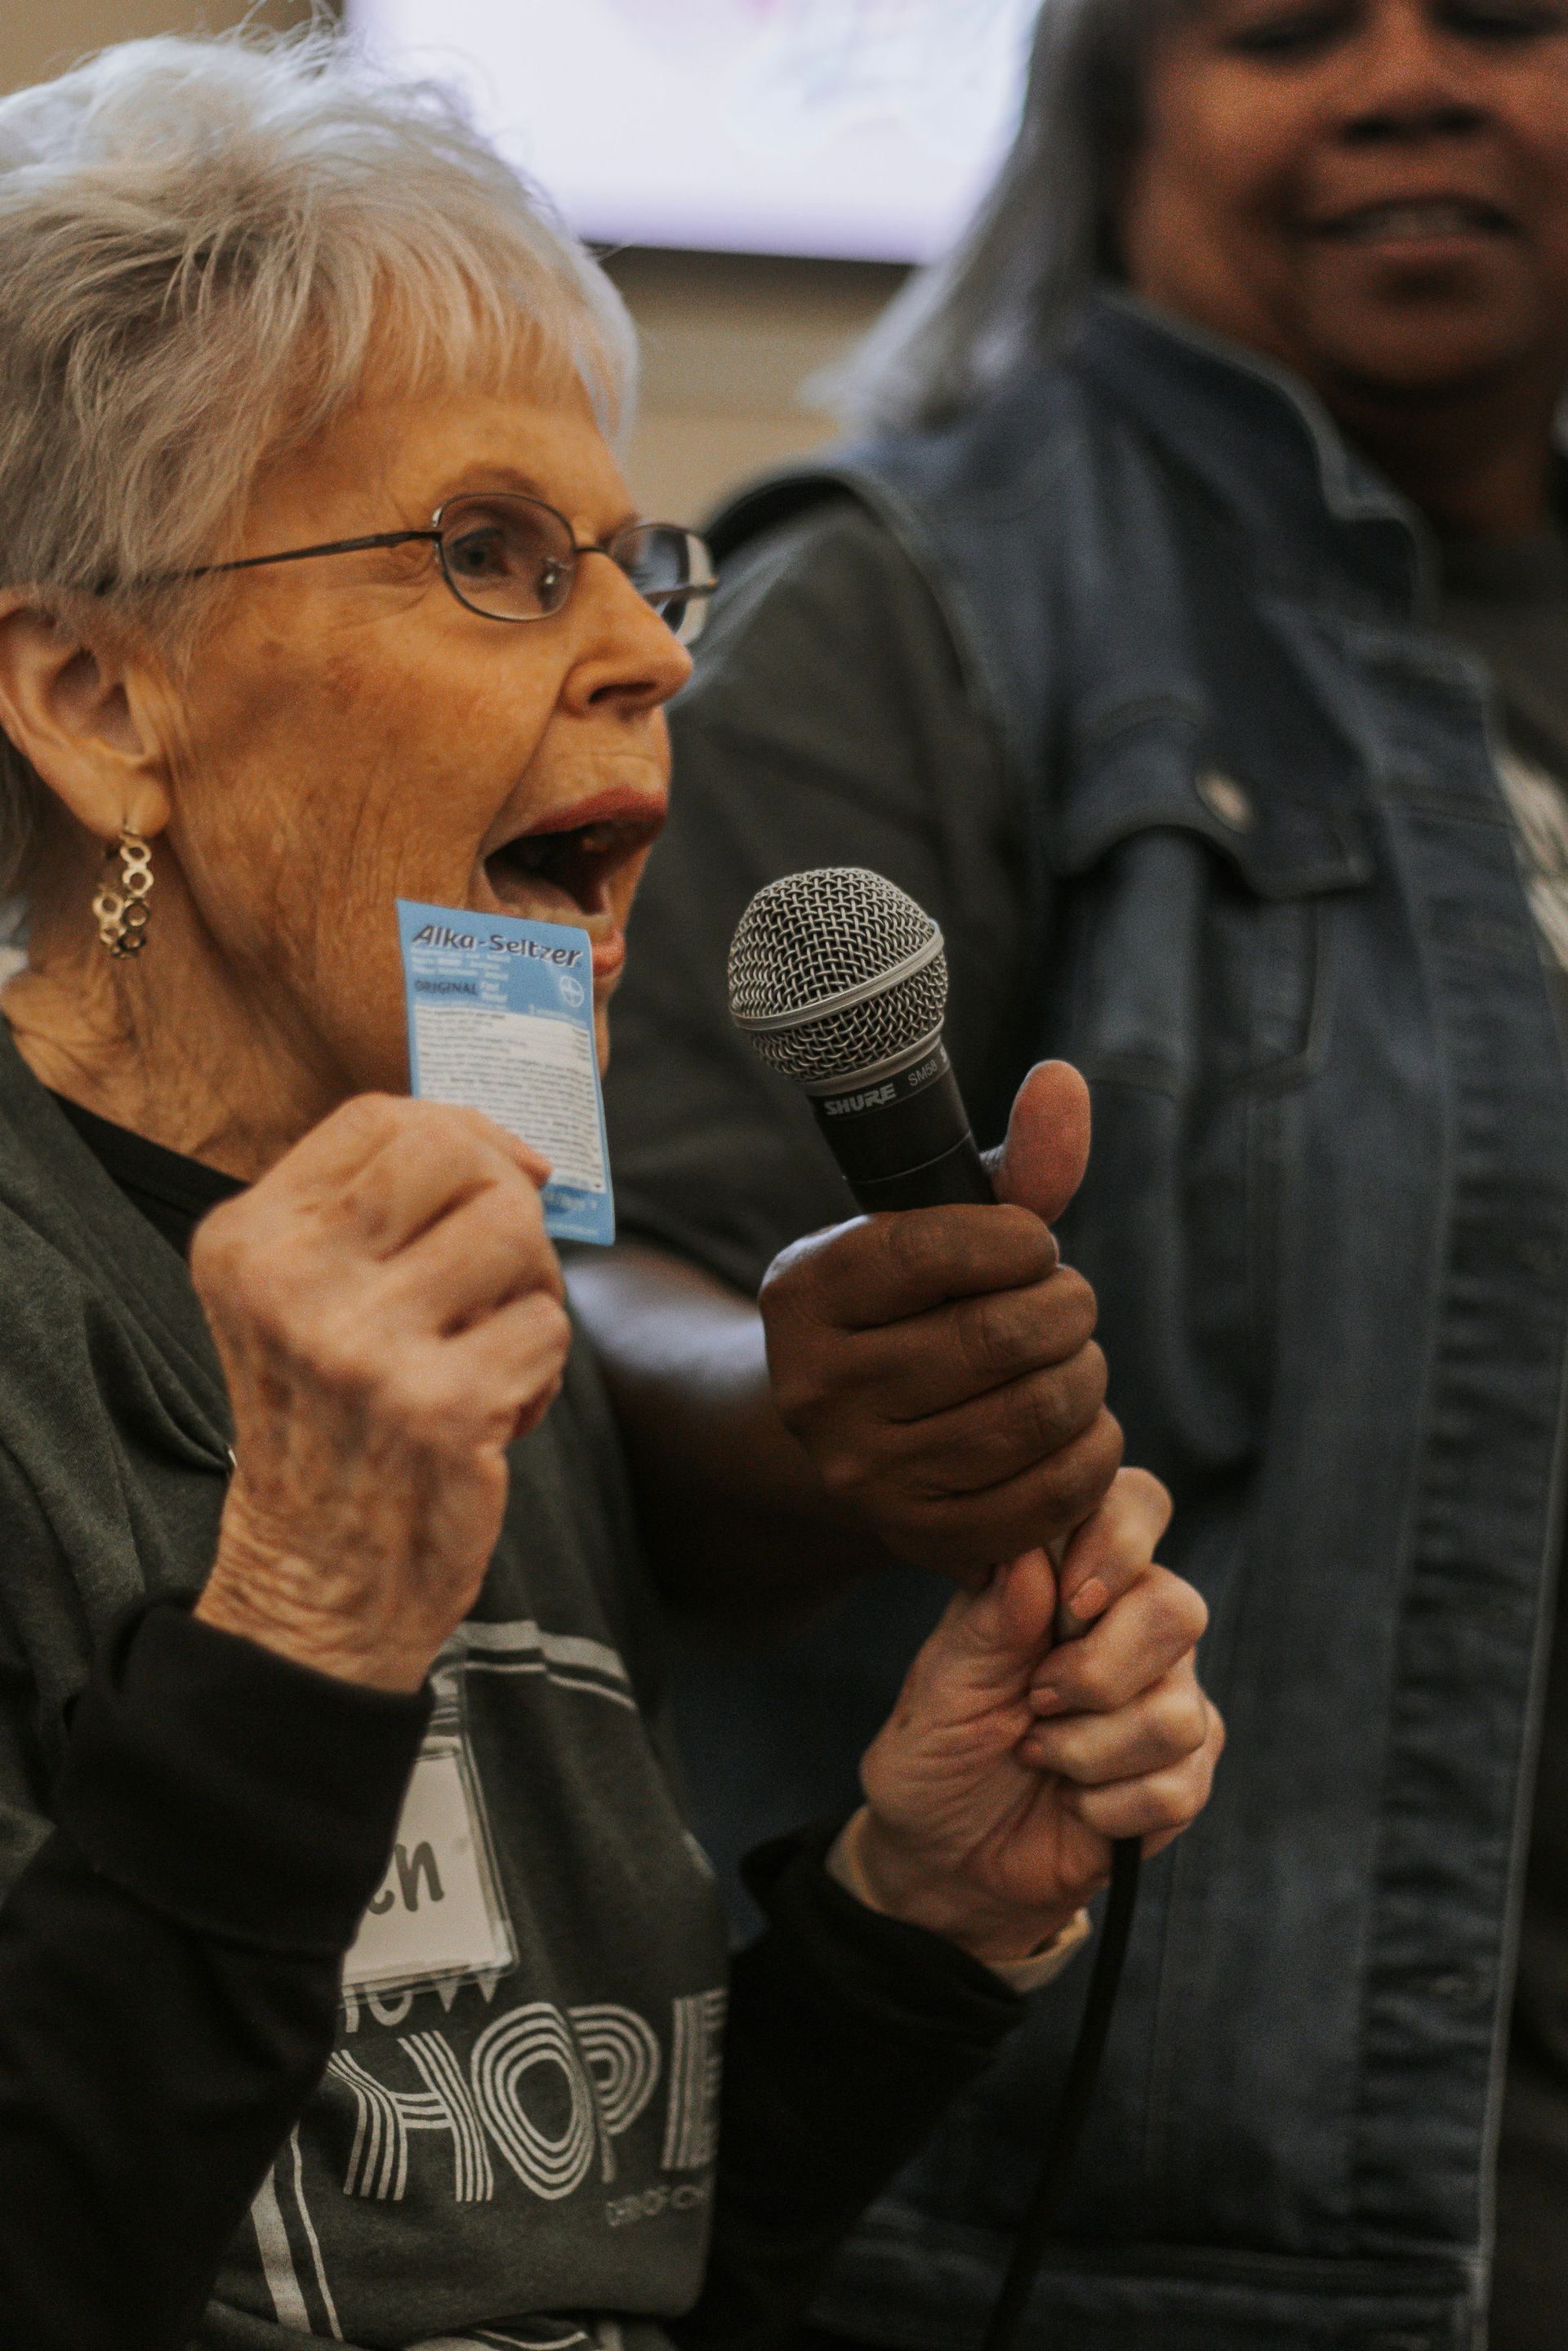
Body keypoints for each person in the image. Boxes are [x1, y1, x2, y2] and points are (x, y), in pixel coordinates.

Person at [0, 28, 1223, 2351]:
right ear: (95, 698)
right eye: (488, 554)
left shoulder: (498, 1295)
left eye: (637, 561)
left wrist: (911, 1917)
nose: (664, 650)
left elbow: (575, 2274)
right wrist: (301, 1627)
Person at [589, 0, 1568, 2346]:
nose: (1410, 79)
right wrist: (812, 1394)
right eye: (1289, 25)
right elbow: (590, 1278)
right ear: (1115, 115)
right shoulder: (915, 600)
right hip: (1135, 2214)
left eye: (1509, 16)